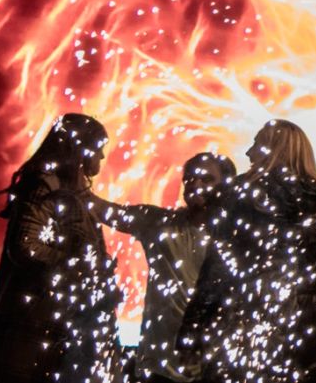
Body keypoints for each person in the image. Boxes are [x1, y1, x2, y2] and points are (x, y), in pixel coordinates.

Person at [177, 119, 316, 383]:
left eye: (257, 143)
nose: (248, 153)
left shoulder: (239, 197)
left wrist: (192, 330)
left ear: (274, 149)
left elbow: (216, 270)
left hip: (250, 328)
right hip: (314, 336)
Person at [0, 113, 124, 383]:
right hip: (39, 317)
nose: (102, 158)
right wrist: (76, 265)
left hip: (67, 314)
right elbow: (25, 246)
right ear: (80, 149)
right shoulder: (45, 184)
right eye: (99, 149)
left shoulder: (76, 191)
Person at [89, 152, 236, 383]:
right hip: (160, 367)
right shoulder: (160, 224)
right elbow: (104, 211)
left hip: (213, 367)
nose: (195, 184)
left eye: (206, 179)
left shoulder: (238, 238)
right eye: (189, 179)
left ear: (228, 185)